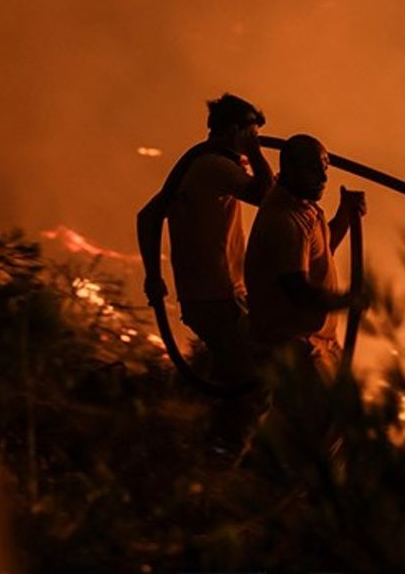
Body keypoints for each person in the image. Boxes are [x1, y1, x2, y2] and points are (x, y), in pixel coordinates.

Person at [136, 93, 274, 452]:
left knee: (236, 379)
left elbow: (148, 216)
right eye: (249, 134)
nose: (252, 143)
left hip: (210, 295)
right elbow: (268, 196)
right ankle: (219, 461)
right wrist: (256, 154)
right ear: (233, 131)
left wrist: (154, 276)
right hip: (217, 295)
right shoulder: (214, 166)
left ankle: (200, 448)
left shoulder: (197, 166)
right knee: (254, 387)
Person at [244, 134, 365, 440]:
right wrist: (344, 301)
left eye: (325, 167)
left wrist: (345, 215)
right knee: (323, 428)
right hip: (295, 345)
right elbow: (296, 287)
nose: (324, 176)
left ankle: (269, 473)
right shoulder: (284, 217)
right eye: (314, 168)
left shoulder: (305, 207)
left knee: (336, 423)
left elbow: (322, 252)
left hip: (318, 342)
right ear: (290, 168)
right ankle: (283, 481)